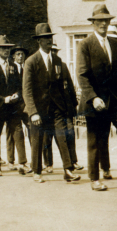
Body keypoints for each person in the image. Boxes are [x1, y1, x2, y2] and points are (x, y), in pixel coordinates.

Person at [77, 6, 117, 192]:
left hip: (116, 101)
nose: (103, 24)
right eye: (99, 20)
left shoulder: (113, 43)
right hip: (96, 102)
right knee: (96, 140)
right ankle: (95, 178)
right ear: (93, 23)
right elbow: (82, 75)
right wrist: (93, 98)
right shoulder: (85, 44)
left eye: (106, 20)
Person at [23, 24, 81, 184]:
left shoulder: (57, 60)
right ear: (39, 41)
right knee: (38, 139)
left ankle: (68, 170)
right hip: (39, 110)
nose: (49, 40)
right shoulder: (31, 62)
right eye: (45, 38)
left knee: (62, 137)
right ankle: (37, 171)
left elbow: (62, 87)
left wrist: (66, 108)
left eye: (50, 37)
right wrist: (33, 112)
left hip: (56, 108)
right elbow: (27, 90)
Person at [0, 36, 29, 177]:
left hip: (12, 109)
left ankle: (22, 163)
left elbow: (20, 86)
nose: (6, 51)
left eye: (8, 48)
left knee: (18, 132)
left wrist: (17, 95)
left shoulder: (13, 66)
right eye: (3, 48)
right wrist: (4, 99)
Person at [42, 43, 83, 174]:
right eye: (51, 51)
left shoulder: (63, 66)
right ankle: (48, 163)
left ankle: (73, 161)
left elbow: (70, 86)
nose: (53, 53)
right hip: (49, 109)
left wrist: (73, 106)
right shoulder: (43, 68)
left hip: (64, 109)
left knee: (69, 134)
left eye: (55, 51)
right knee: (46, 137)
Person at [6, 45, 32, 172]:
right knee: (15, 133)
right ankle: (14, 161)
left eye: (22, 54)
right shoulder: (9, 68)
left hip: (26, 105)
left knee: (32, 129)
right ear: (13, 56)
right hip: (13, 106)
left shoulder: (27, 68)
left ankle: (35, 160)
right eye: (18, 54)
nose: (20, 56)